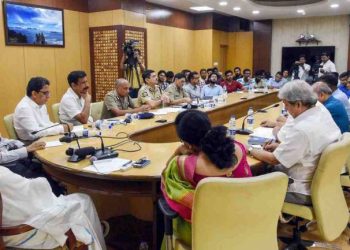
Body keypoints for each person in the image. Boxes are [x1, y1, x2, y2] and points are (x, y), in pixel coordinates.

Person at [161, 110, 252, 246]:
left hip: (207, 234)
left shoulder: (182, 164)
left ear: (187, 143)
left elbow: (165, 175)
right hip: (246, 223)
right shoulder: (238, 148)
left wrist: (178, 151)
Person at [249, 80, 341, 206]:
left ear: (298, 104)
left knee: (250, 187)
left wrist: (249, 149)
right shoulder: (321, 112)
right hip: (323, 184)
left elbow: (273, 160)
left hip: (301, 191)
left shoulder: (302, 129)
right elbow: (308, 147)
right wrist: (280, 146)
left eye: (286, 105)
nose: (286, 109)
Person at [0, 166, 106, 249]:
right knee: (83, 200)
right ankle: (97, 240)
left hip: (10, 233)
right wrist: (39, 182)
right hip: (27, 235)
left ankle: (95, 233)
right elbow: (34, 194)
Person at [14, 77, 71, 143]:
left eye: (48, 92)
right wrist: (61, 128)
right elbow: (36, 132)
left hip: (43, 138)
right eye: (45, 93)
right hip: (30, 143)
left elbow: (47, 125)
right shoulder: (24, 108)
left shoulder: (41, 104)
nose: (49, 96)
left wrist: (61, 126)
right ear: (34, 94)